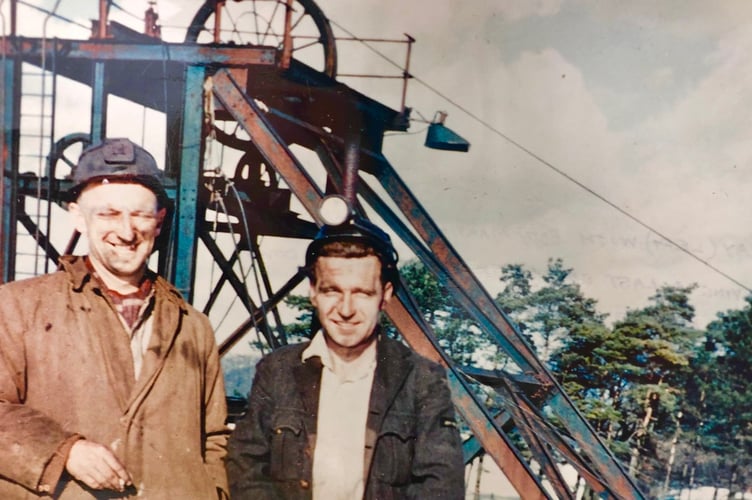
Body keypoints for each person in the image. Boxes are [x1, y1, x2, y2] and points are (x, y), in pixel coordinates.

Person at [0, 138, 229, 499]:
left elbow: (213, 441)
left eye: (140, 214)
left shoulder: (193, 326)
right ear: (78, 216)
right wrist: (64, 450)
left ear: (159, 221)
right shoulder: (17, 307)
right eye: (108, 214)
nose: (126, 231)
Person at [227, 214, 465, 499]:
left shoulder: (422, 381)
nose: (346, 309)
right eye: (332, 291)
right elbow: (245, 466)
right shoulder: (276, 370)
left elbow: (440, 488)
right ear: (313, 292)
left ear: (385, 295)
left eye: (362, 293)